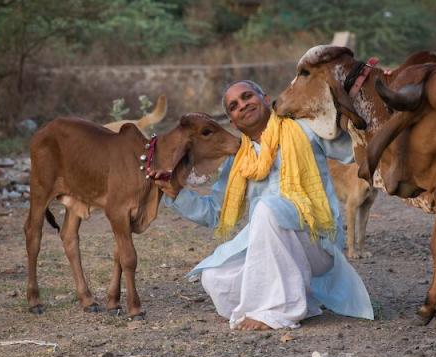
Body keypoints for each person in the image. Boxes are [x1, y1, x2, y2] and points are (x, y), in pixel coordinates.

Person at [151, 80, 374, 330]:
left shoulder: (303, 129)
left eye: (247, 96)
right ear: (233, 122)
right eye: (234, 106)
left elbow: (352, 149)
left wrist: (349, 108)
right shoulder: (238, 160)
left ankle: (278, 310)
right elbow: (215, 212)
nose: (243, 105)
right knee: (214, 278)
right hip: (270, 247)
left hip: (316, 241)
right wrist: (178, 193)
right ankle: (298, 293)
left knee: (267, 208)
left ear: (265, 99)